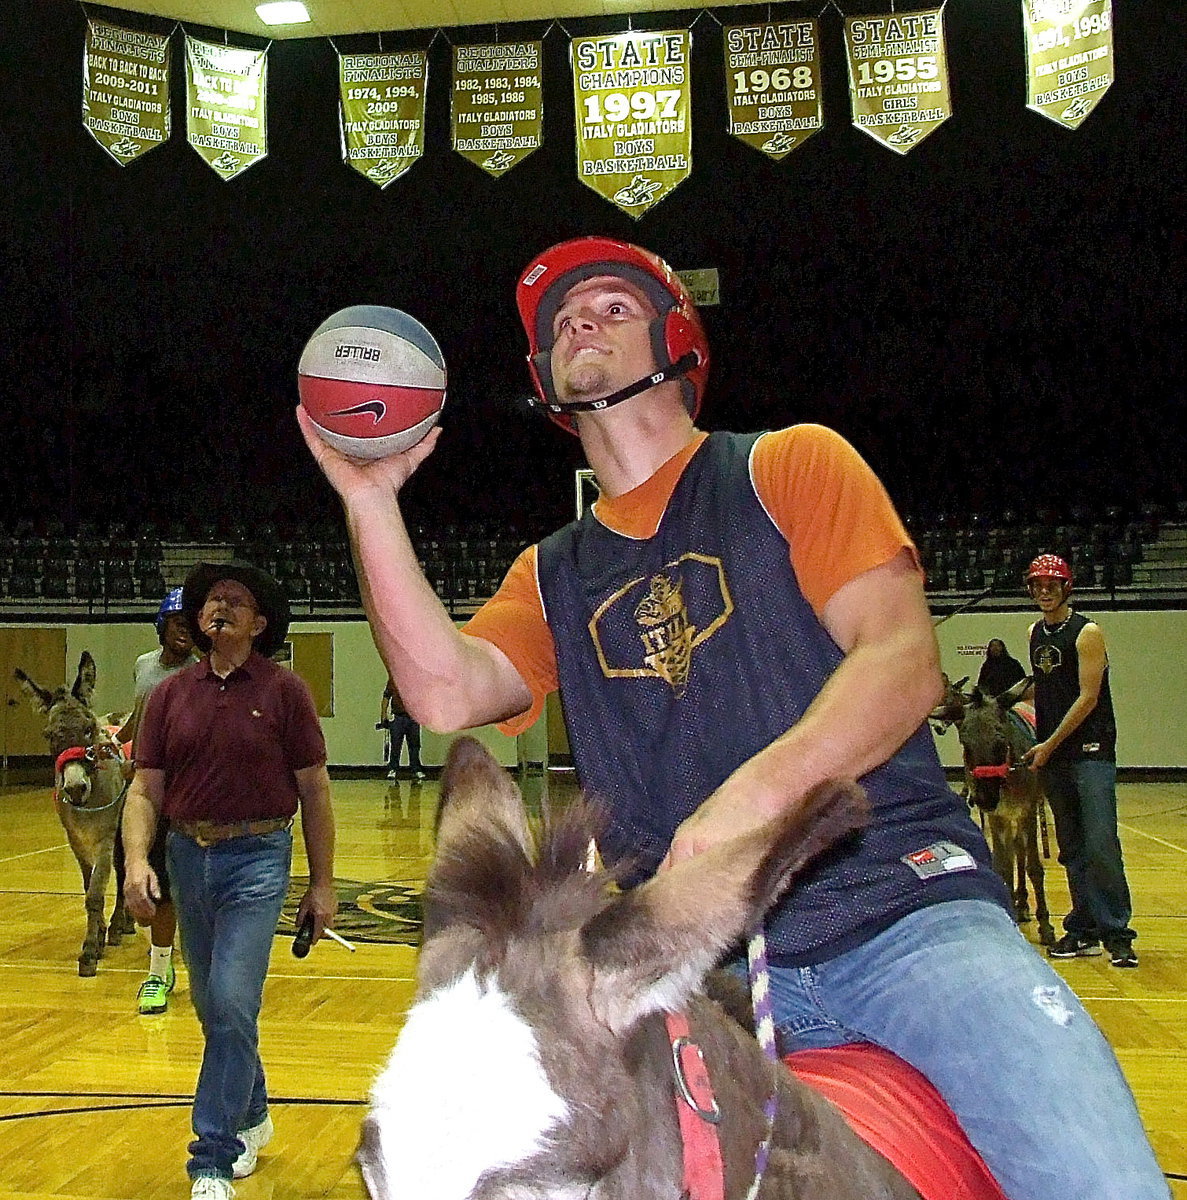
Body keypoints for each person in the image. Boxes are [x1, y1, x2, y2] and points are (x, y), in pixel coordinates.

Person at [298, 237, 1168, 1200]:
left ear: (678, 341)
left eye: (611, 307)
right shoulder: (550, 573)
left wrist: (742, 806)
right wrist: (369, 501)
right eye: (560, 323)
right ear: (543, 381)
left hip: (903, 916)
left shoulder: (788, 467)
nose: (578, 320)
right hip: (685, 971)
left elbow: (900, 661)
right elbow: (445, 693)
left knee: (1103, 1183)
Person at [122, 561, 337, 1200]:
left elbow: (316, 790)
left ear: (260, 623)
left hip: (259, 857)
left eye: (236, 601)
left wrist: (322, 885)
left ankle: (212, 1157)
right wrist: (138, 860)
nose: (220, 606)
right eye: (212, 599)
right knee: (215, 1006)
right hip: (187, 857)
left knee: (235, 1000)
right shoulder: (168, 697)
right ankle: (253, 1108)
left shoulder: (285, 693)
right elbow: (143, 790)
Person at [1021, 553, 1138, 968]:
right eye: (1038, 585)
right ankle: (1084, 929)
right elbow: (1047, 689)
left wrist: (1048, 744)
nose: (1044, 591)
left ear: (1066, 588)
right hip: (1053, 755)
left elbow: (1087, 698)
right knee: (1072, 847)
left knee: (1101, 842)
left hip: (1090, 752)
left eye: (1052, 585)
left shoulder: (1087, 632)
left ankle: (1118, 933)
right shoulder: (1035, 632)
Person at [116, 587, 198, 1015]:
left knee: (167, 892)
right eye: (176, 623)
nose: (183, 631)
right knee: (137, 887)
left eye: (190, 623)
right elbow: (140, 715)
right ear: (161, 626)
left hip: (183, 794)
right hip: (141, 789)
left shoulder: (199, 672)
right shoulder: (144, 667)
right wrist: (116, 739)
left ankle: (159, 971)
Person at [378, 680, 424, 779]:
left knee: (414, 745)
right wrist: (383, 716)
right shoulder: (393, 680)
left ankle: (416, 769)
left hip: (413, 717)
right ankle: (393, 768)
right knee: (395, 744)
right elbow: (386, 697)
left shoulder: (416, 680)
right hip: (398, 716)